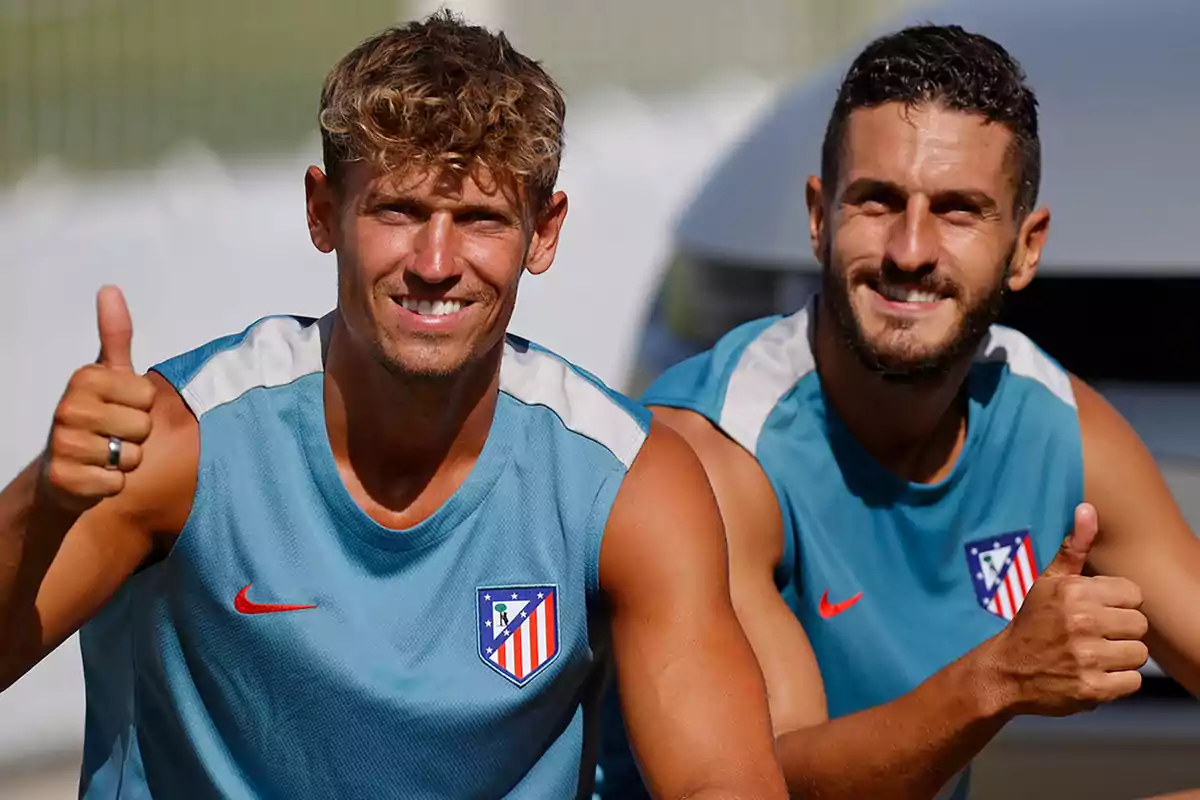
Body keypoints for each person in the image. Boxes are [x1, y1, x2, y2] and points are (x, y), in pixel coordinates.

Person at [0, 13, 787, 799]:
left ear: (543, 233)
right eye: (399, 211)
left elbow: (722, 782)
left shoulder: (626, 485)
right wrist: (43, 496)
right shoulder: (178, 446)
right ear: (323, 211)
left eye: (480, 219)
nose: (435, 263)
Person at [597, 24, 1200, 800]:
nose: (910, 250)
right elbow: (768, 782)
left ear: (1026, 247)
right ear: (819, 216)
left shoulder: (1054, 421)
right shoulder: (711, 450)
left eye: (958, 211)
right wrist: (999, 678)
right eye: (879, 202)